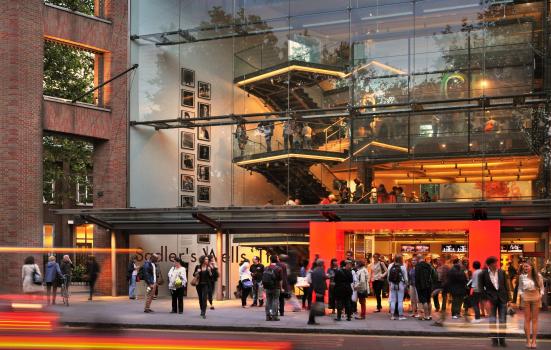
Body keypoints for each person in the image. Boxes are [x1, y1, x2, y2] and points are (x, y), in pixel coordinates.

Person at [480, 256, 510, 347]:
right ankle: (494, 340)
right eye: (495, 263)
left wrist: (509, 300)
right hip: (491, 300)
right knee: (492, 321)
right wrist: (485, 301)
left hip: (502, 299)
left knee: (502, 320)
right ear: (489, 265)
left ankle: (502, 340)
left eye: (496, 262)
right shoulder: (483, 274)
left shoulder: (502, 272)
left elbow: (506, 286)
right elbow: (481, 288)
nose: (497, 264)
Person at [518, 262, 544, 348]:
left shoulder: (538, 276)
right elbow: (520, 289)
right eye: (524, 266)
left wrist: (540, 295)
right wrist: (522, 295)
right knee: (527, 319)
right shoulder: (521, 277)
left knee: (535, 320)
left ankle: (534, 341)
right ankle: (528, 341)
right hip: (526, 297)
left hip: (536, 296)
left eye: (527, 266)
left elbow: (542, 288)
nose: (525, 268)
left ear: (532, 267)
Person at [388, 254, 408, 320]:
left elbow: (388, 277)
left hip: (392, 284)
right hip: (400, 284)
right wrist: (406, 285)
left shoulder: (390, 265)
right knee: (400, 301)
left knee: (393, 300)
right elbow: (406, 278)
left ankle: (392, 316)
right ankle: (401, 316)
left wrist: (390, 284)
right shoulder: (403, 266)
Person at [307, 259, 327, 325]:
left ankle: (312, 319)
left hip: (317, 289)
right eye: (323, 263)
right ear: (321, 264)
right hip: (319, 289)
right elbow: (323, 278)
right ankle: (311, 320)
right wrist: (329, 276)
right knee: (316, 305)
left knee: (316, 304)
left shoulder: (315, 270)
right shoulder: (320, 270)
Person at [415, 254, 435, 320]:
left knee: (424, 301)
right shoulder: (428, 265)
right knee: (429, 300)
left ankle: (426, 316)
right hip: (429, 285)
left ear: (418, 259)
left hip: (421, 286)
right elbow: (432, 275)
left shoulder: (418, 266)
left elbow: (417, 277)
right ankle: (429, 315)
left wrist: (417, 285)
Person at [263, 255, 283, 321]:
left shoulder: (266, 268)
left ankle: (267, 316)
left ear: (270, 260)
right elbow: (280, 280)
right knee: (275, 300)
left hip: (267, 287)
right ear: (277, 260)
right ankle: (274, 316)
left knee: (268, 300)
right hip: (276, 287)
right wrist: (281, 288)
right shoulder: (279, 268)